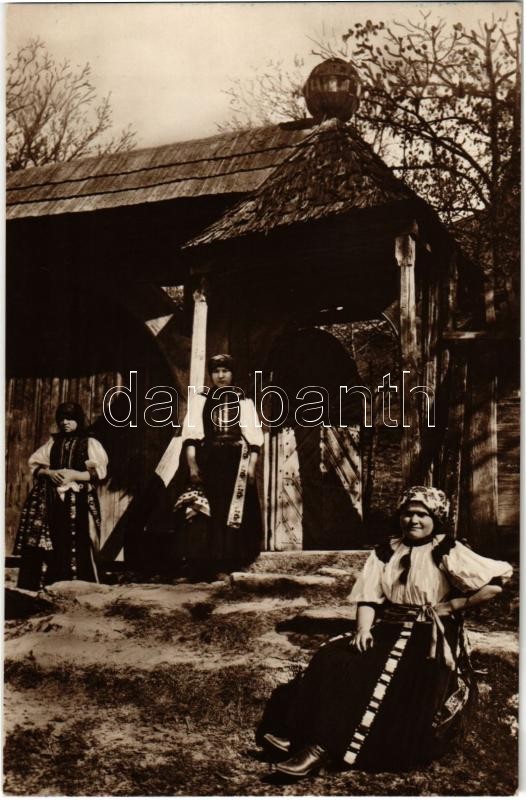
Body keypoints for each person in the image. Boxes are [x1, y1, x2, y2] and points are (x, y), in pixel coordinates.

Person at [257, 486, 512, 777]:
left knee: (376, 671)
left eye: (422, 515)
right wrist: (363, 629)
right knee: (331, 656)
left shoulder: (447, 549)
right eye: (408, 514)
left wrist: (454, 605)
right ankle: (298, 735)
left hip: (428, 634)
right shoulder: (386, 550)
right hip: (390, 625)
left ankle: (320, 748)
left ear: (436, 518)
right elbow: (368, 596)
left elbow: (496, 582)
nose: (413, 520)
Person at [173, 354, 264, 578]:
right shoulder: (201, 400)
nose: (221, 376)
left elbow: (253, 437)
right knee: (207, 510)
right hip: (210, 461)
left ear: (233, 374)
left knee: (233, 511)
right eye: (216, 371)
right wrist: (192, 465)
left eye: (225, 371)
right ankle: (202, 566)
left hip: (236, 462)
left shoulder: (244, 401)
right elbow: (192, 436)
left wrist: (251, 466)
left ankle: (229, 563)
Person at [14, 402, 108, 590]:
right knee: (55, 537)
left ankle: (81, 582)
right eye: (62, 419)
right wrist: (49, 473)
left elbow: (98, 473)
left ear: (78, 420)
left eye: (70, 419)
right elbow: (36, 466)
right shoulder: (53, 443)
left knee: (79, 537)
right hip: (52, 497)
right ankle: (49, 582)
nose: (65, 422)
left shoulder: (89, 443)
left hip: (79, 498)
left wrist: (74, 475)